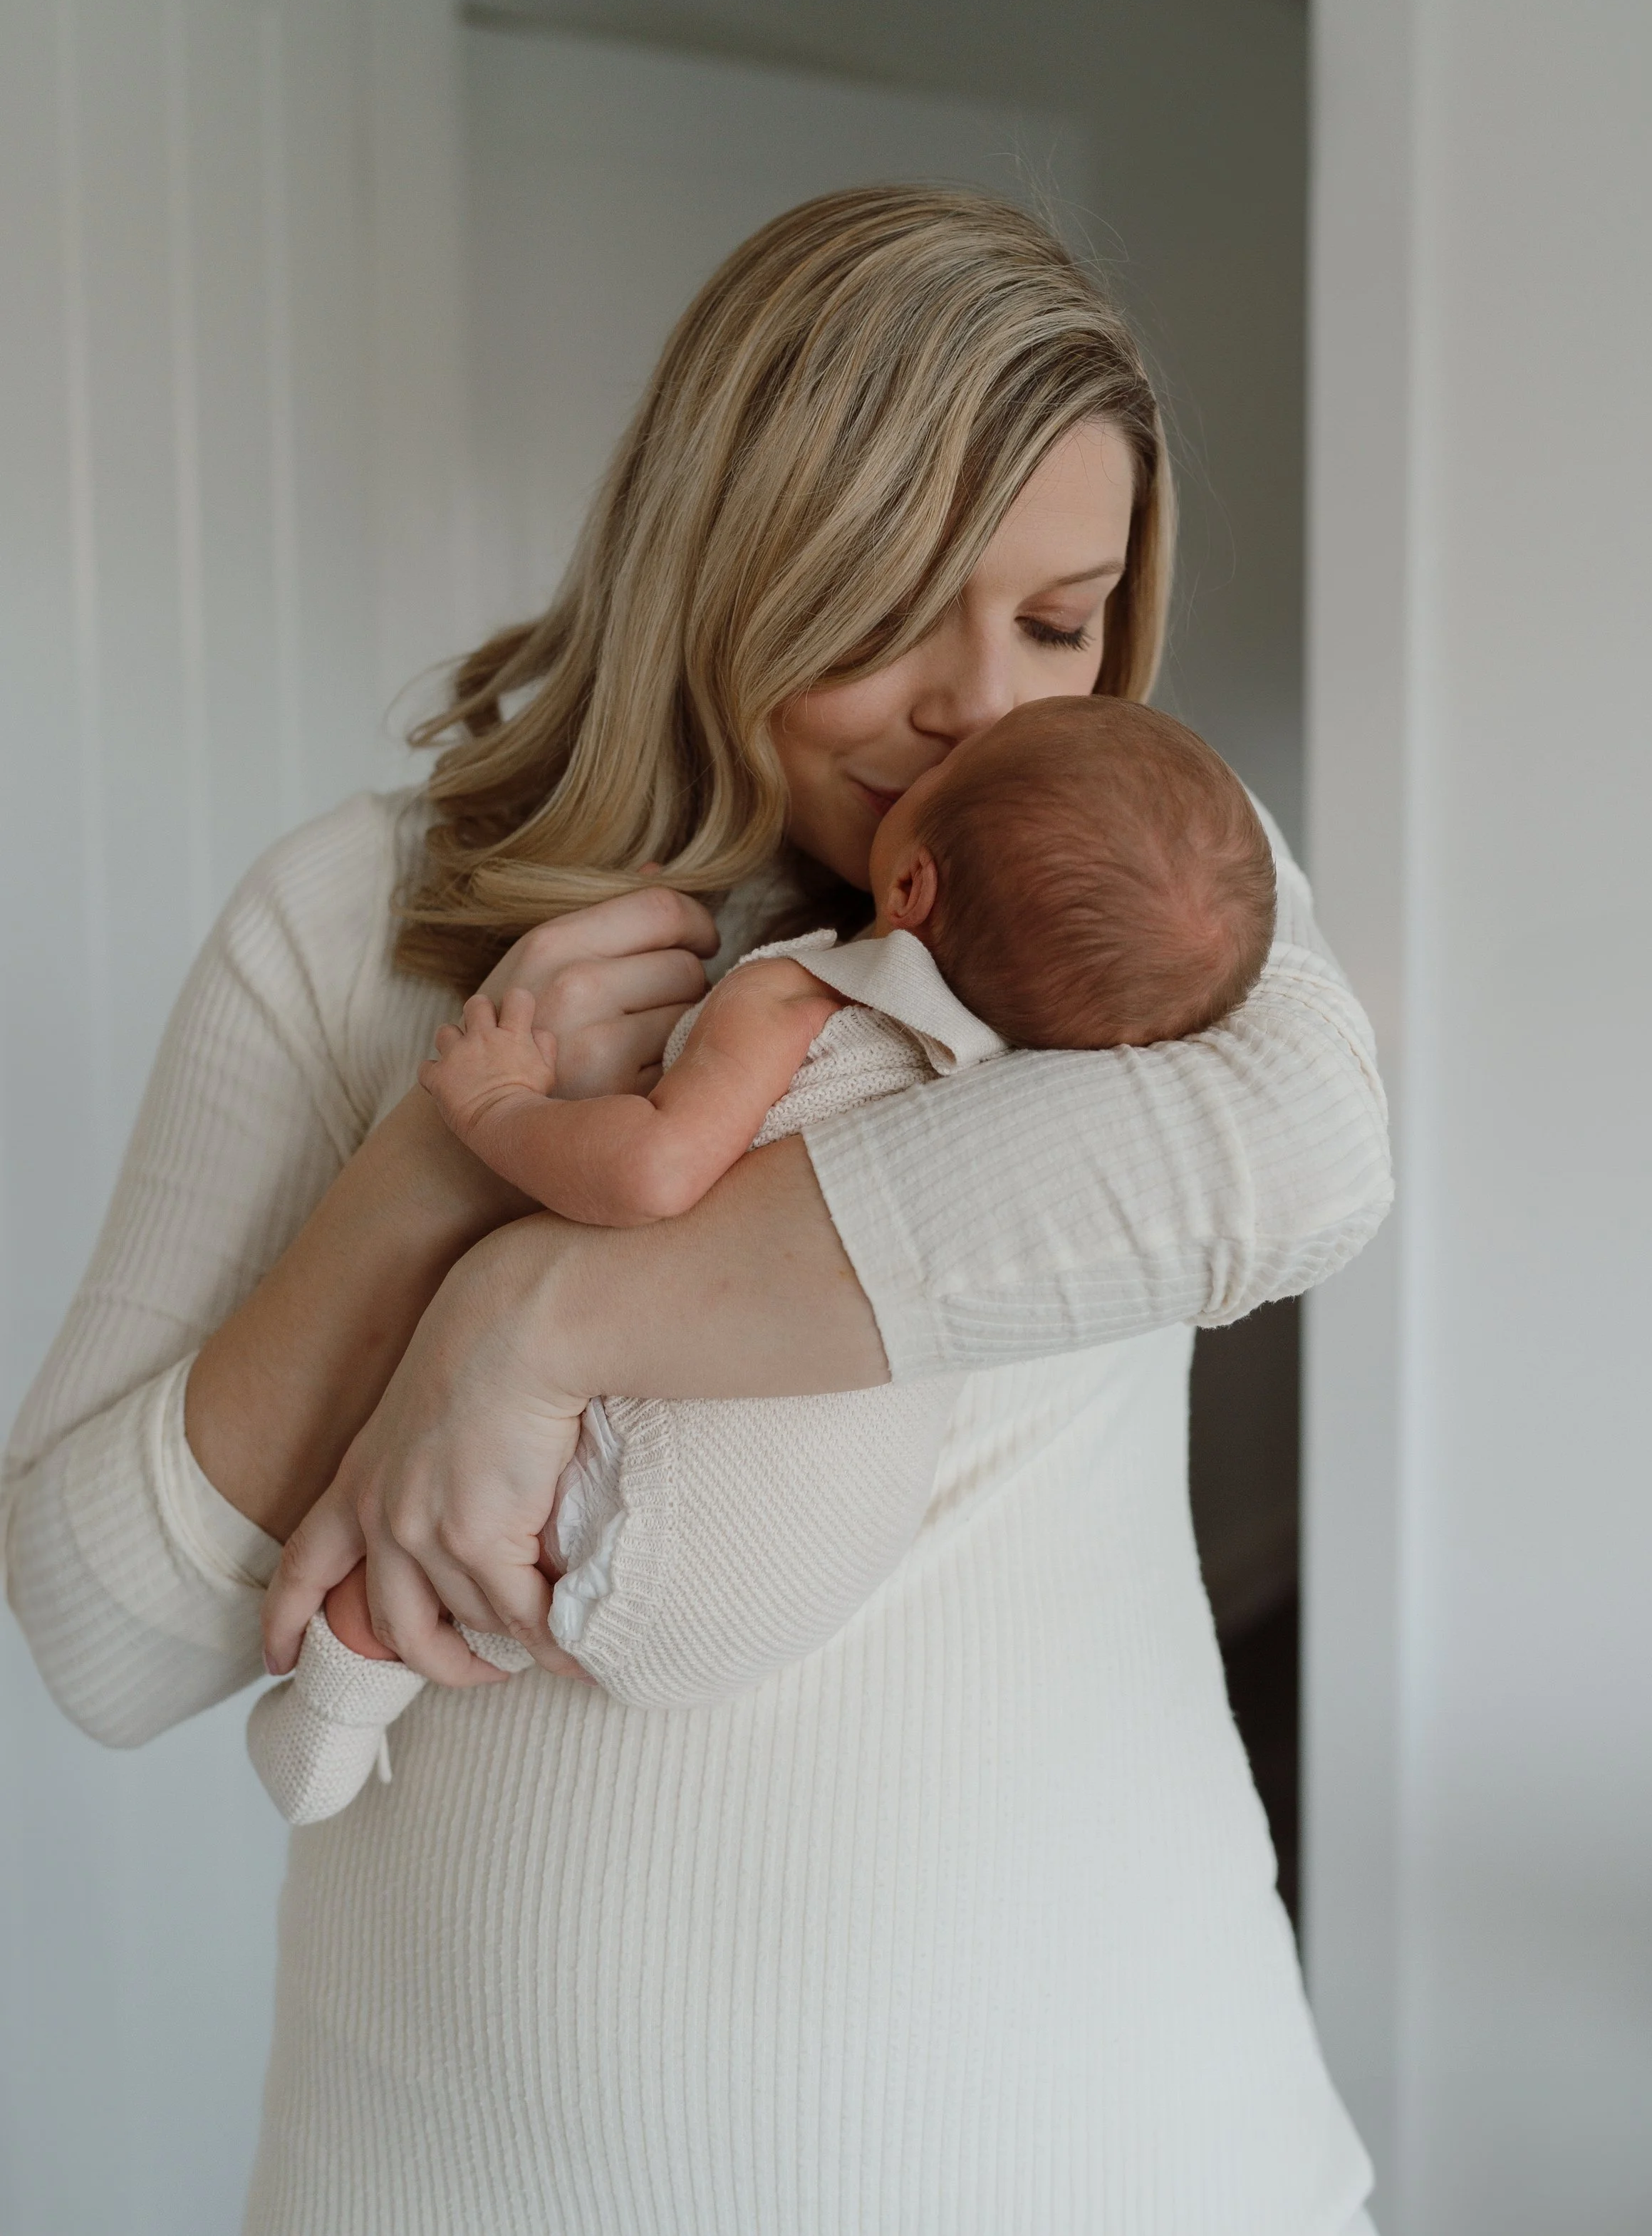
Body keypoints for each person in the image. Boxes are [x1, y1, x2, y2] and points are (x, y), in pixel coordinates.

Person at [3, 186, 1391, 2235]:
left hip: (1130, 2155)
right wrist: (433, 1172)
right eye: (885, 600)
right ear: (722, 555)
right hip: (450, 2179)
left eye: (1055, 613)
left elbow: (1306, 1170)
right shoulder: (354, 924)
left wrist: (533, 1313)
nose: (976, 708)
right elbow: (100, 1634)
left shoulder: (1126, 894)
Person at [247, 696, 1279, 1824]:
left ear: (913, 886)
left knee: (490, 1488)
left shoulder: (806, 995)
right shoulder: (1028, 1101)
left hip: (659, 1500)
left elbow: (651, 1173)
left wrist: (493, 1111)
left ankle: (340, 1692)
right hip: (795, 1574)